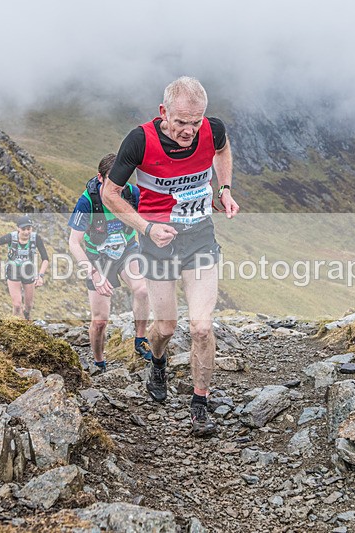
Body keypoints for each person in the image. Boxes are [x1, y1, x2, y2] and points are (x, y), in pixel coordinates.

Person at [102, 76, 239, 437]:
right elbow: (110, 193)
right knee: (165, 328)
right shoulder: (139, 141)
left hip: (199, 239)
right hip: (157, 244)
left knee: (201, 327)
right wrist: (146, 228)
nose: (189, 131)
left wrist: (224, 189)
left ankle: (200, 404)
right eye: (180, 122)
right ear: (163, 112)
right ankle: (158, 362)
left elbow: (222, 150)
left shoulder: (213, 130)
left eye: (196, 122)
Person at [69, 153, 153, 373]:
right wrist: (94, 274)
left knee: (142, 289)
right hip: (98, 258)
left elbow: (149, 220)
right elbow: (73, 243)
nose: (119, 186)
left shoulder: (132, 193)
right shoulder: (87, 202)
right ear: (100, 178)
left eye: (123, 180)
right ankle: (99, 362)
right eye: (113, 180)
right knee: (100, 321)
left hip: (127, 250)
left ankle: (140, 339)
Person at [0, 215, 49, 319]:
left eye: (29, 229)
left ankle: (26, 316)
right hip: (13, 271)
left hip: (28, 272)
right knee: (17, 305)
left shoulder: (36, 238)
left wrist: (40, 276)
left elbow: (45, 259)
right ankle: (14, 323)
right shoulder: (11, 237)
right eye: (23, 229)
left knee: (29, 305)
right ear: (18, 228)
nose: (26, 232)